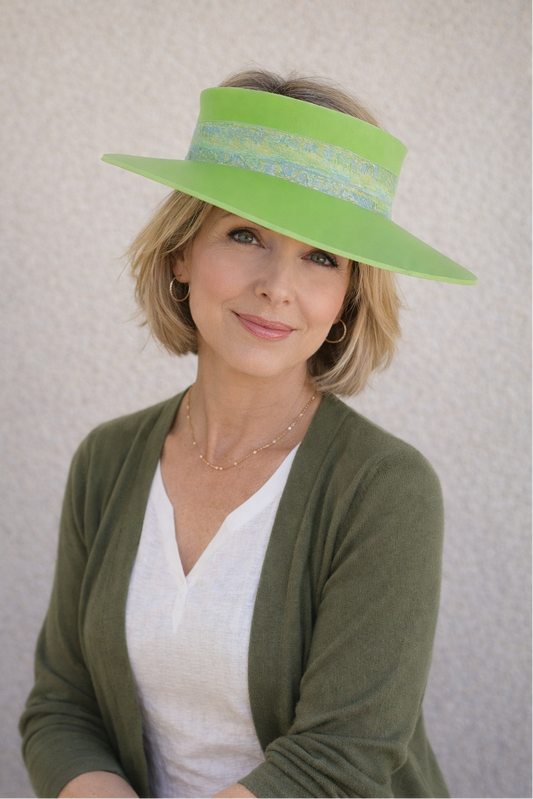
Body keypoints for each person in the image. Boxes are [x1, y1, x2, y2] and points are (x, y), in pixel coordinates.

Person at [19, 69, 477, 799]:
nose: (277, 284)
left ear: (347, 295)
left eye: (320, 255)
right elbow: (62, 705)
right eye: (244, 234)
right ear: (181, 252)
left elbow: (341, 755)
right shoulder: (106, 460)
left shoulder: (385, 487)